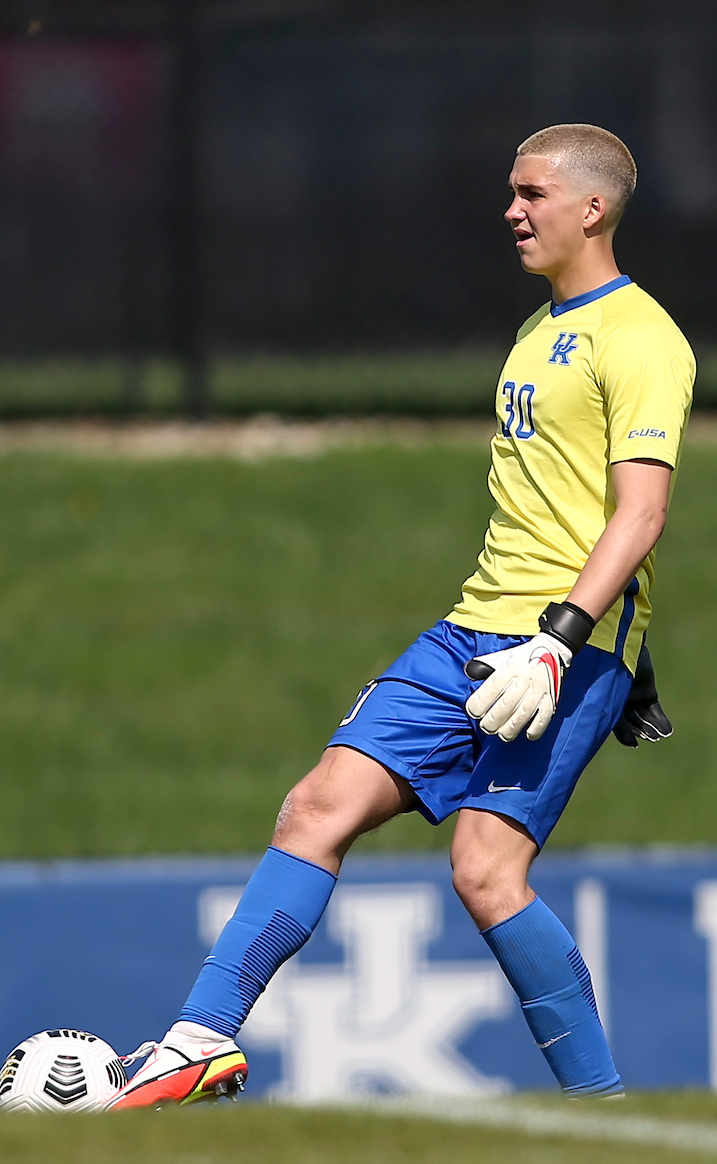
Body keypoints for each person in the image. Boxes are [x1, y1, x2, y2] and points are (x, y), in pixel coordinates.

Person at [106, 124, 694, 1109]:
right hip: (467, 632)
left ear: (589, 209)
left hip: (556, 644)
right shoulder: (538, 327)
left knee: (484, 871)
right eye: (510, 192)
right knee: (314, 807)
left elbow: (640, 514)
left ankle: (602, 1109)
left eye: (531, 193)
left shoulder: (640, 337)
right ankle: (197, 1042)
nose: (511, 209)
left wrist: (570, 649)